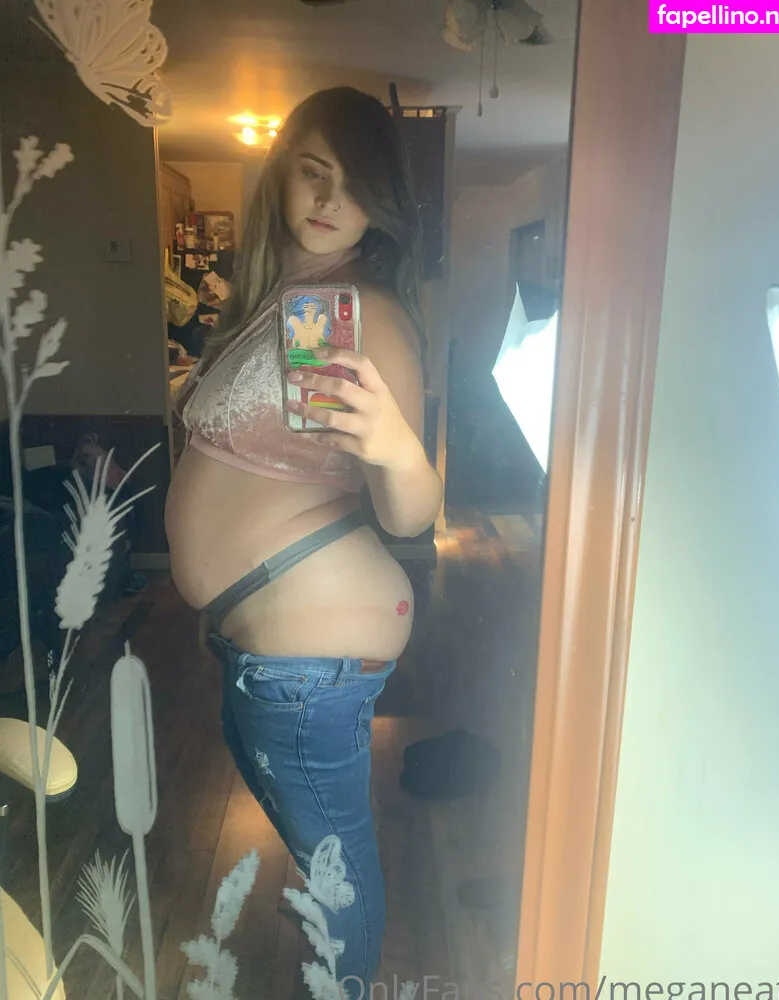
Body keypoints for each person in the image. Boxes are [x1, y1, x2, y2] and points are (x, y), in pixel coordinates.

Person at [165, 87, 444, 997]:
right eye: (314, 173)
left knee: (337, 871)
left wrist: (398, 449)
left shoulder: (365, 310)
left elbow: (409, 513)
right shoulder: (293, 304)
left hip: (310, 652)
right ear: (280, 174)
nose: (329, 200)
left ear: (381, 206)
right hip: (281, 648)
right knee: (325, 859)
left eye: (354, 185)